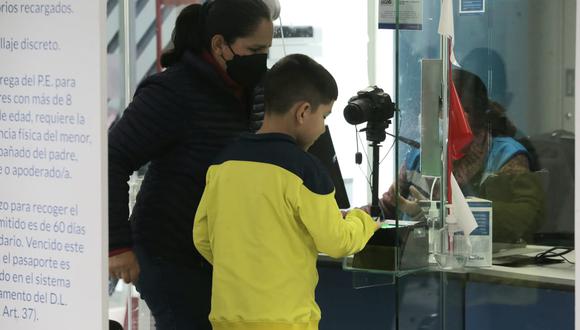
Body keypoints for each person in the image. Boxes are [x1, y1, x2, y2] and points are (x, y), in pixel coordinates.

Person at [108, 1, 274, 329]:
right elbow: (112, 157)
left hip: (219, 258)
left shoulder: (252, 91)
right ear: (219, 45)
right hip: (169, 255)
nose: (262, 60)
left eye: (266, 49)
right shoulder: (173, 92)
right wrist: (118, 245)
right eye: (254, 49)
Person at [193, 54, 379, 330]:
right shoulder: (306, 171)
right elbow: (337, 241)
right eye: (324, 116)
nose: (324, 127)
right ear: (303, 112)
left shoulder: (224, 163)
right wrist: (363, 221)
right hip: (285, 320)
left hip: (227, 318)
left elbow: (202, 237)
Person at [381, 68, 544, 244]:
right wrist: (353, 220)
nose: (424, 117)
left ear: (464, 115)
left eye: (435, 108)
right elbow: (387, 208)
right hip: (423, 263)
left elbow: (529, 217)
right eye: (425, 108)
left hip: (484, 266)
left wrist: (449, 212)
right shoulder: (418, 156)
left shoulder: (505, 157)